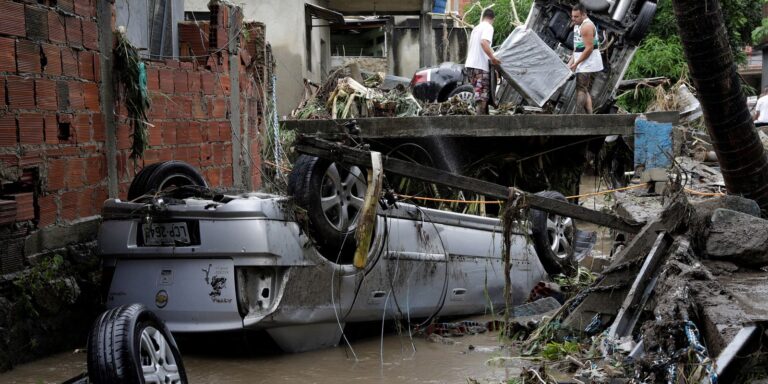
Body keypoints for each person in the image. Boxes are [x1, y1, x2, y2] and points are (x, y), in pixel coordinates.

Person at [568, 3, 603, 114]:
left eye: (576, 16)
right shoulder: (577, 25)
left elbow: (589, 49)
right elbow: (577, 47)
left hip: (588, 62)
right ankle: (590, 115)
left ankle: (577, 115)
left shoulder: (587, 26)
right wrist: (570, 63)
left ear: (584, 15)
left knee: (581, 89)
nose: (573, 19)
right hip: (582, 61)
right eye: (572, 16)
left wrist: (576, 63)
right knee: (584, 89)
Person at [465, 8, 501, 115]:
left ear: (483, 16)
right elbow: (484, 42)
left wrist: (492, 53)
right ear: (492, 19)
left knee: (479, 93)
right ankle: (480, 124)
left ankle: (484, 119)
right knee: (482, 96)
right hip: (480, 66)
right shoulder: (488, 27)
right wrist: (493, 59)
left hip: (470, 66)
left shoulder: (476, 28)